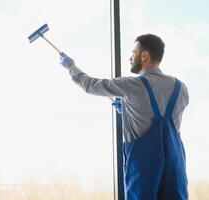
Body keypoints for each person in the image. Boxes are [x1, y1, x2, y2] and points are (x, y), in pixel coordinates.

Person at [59, 34, 189, 200]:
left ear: (144, 55)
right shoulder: (181, 88)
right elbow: (163, 121)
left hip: (144, 166)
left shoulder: (132, 85)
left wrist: (71, 67)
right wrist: (128, 109)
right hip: (175, 164)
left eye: (133, 52)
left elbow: (91, 85)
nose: (130, 57)